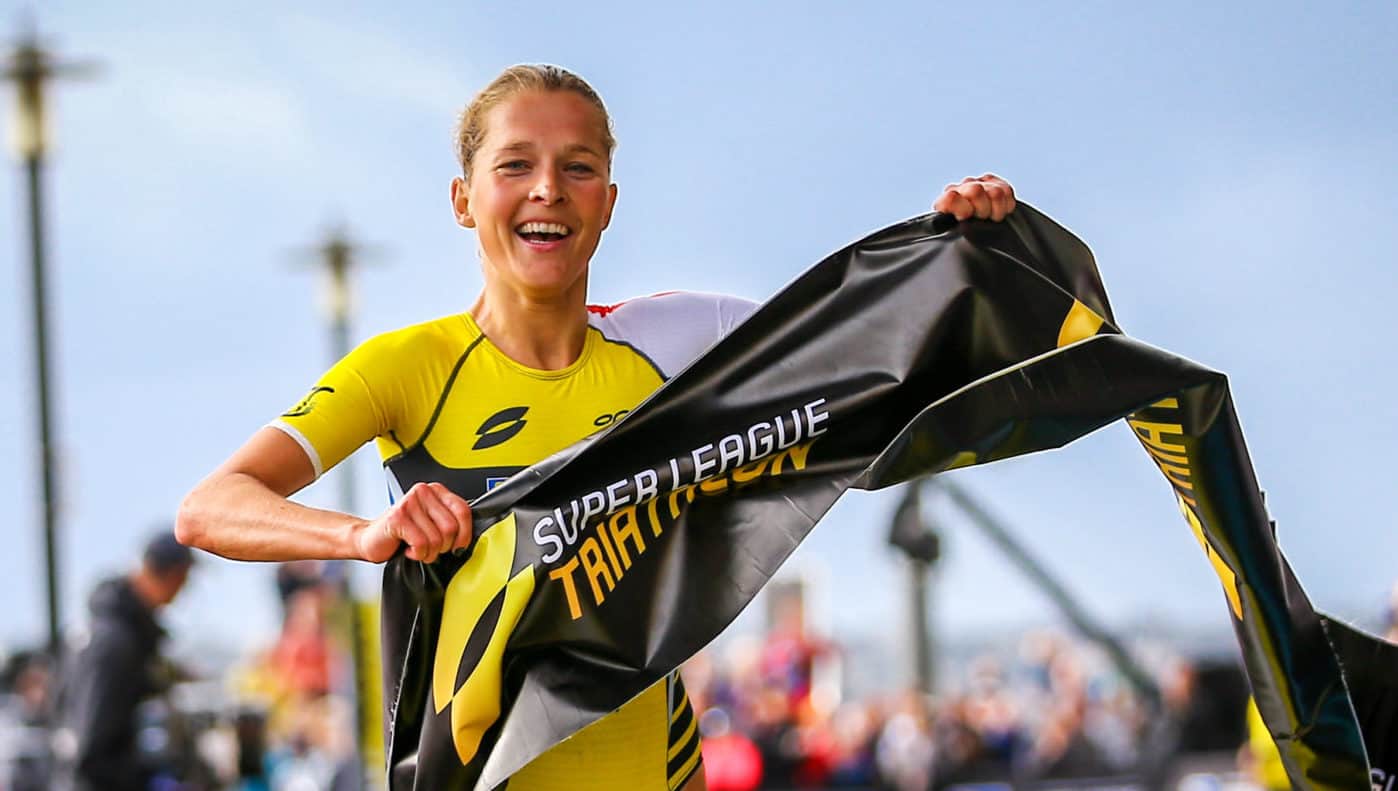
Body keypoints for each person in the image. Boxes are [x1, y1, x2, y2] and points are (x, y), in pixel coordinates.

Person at [176, 63, 1017, 790]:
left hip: (653, 763)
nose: (548, 188)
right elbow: (211, 507)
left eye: (577, 168)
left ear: (607, 203)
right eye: (516, 165)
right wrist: (364, 533)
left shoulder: (683, 340)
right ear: (464, 199)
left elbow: (886, 356)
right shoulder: (405, 368)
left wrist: (964, 249)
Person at [52, 530, 194, 791]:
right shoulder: (114, 642)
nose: (183, 589)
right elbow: (92, 747)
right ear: (171, 574)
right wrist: (144, 777)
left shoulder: (120, 633)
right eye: (182, 578)